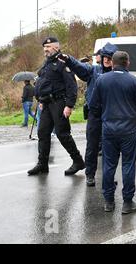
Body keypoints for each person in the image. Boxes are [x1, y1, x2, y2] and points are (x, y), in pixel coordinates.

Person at [89, 51, 136, 213]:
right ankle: (127, 203)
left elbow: (93, 105)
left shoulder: (101, 80)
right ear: (127, 63)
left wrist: (104, 118)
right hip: (128, 130)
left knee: (108, 165)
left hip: (108, 129)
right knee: (128, 164)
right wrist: (135, 120)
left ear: (112, 63)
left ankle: (108, 201)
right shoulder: (134, 81)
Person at [58, 43, 118, 187]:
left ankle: (108, 177)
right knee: (92, 147)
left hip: (111, 116)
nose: (107, 60)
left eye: (110, 58)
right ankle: (90, 175)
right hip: (95, 115)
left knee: (110, 148)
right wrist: (68, 59)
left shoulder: (118, 74)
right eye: (105, 57)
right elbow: (80, 67)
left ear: (114, 59)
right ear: (102, 57)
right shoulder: (94, 70)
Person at [27, 37, 85, 176]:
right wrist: (40, 100)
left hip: (59, 103)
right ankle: (42, 164)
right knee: (42, 133)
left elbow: (71, 86)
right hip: (46, 103)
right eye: (44, 48)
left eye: (48, 47)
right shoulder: (46, 64)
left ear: (56, 48)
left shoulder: (62, 63)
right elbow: (44, 83)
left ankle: (78, 161)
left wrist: (69, 105)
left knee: (62, 134)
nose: (45, 50)